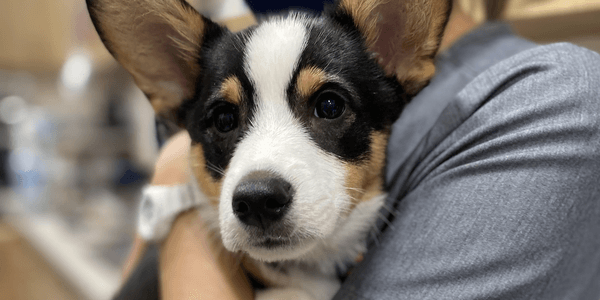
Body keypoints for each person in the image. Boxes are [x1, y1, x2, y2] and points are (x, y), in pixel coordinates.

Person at [121, 0, 600, 299]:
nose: (258, 186)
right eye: (225, 120)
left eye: (328, 106)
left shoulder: (548, 102)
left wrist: (174, 195)